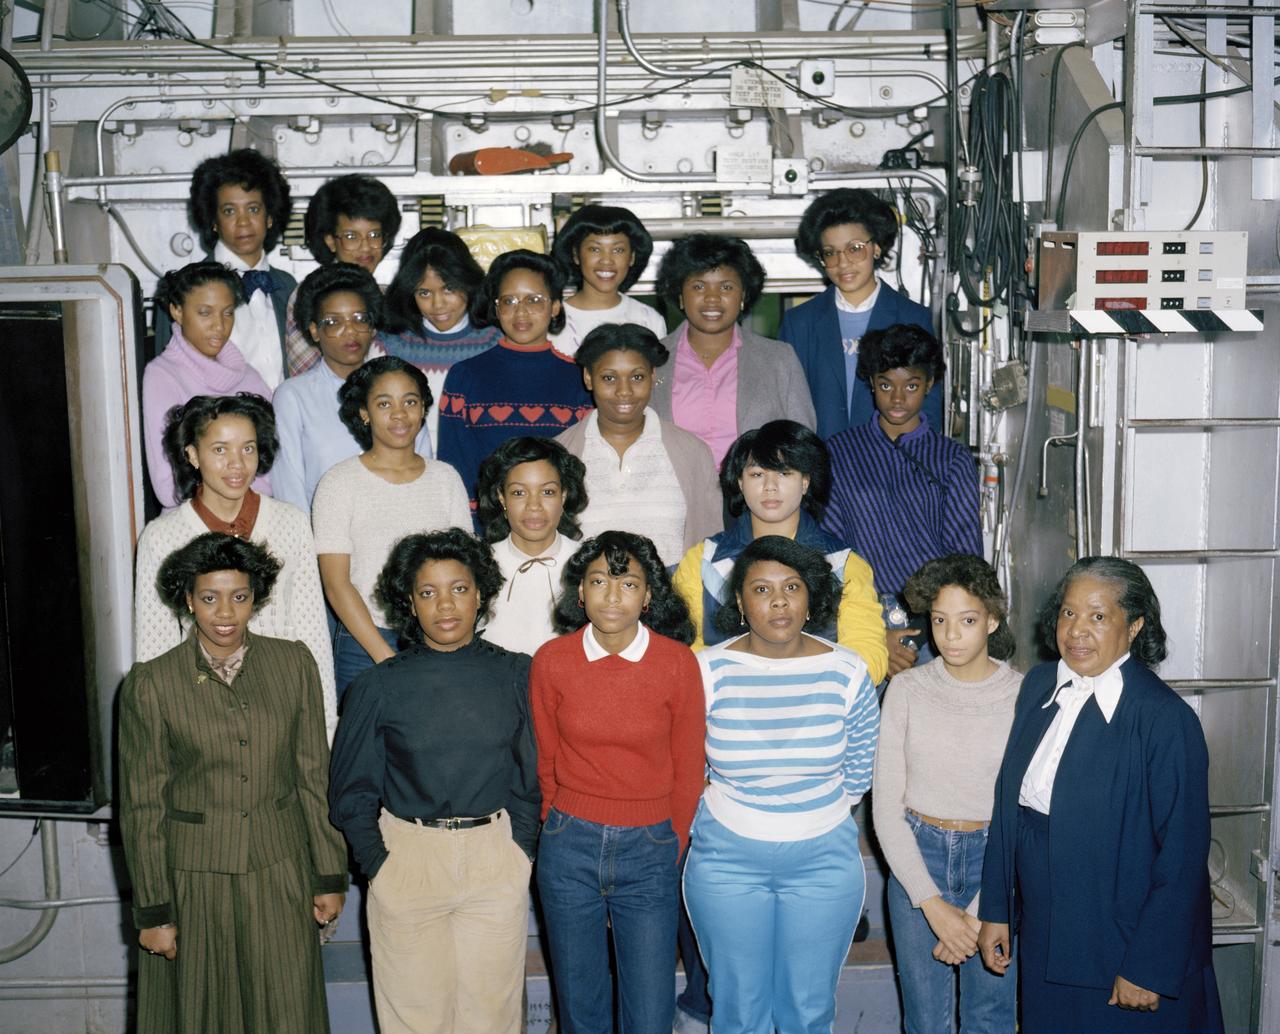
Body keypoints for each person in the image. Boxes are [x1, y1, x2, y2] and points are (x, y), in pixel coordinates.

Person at [978, 557, 1223, 1034]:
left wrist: (1147, 967)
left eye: (1097, 616)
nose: (1076, 631)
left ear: (1134, 626)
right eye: (1068, 613)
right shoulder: (1038, 686)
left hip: (1122, 944)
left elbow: (1183, 856)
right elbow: (1009, 812)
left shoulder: (1164, 720)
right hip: (1047, 933)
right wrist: (997, 911)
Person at [118, 532, 347, 1034]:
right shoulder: (151, 684)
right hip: (194, 878)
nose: (225, 612)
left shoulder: (293, 663)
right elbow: (141, 806)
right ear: (187, 599)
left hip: (280, 867)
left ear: (256, 599)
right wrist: (153, 911)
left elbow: (313, 773)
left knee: (288, 1011)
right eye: (209, 597)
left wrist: (330, 874)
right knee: (201, 1015)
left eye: (239, 597)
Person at [328, 528, 539, 1034]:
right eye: (428, 592)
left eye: (459, 588)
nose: (446, 605)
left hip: (495, 858)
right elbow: (350, 791)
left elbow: (533, 774)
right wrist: (379, 865)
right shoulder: (379, 684)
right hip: (408, 860)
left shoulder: (516, 674)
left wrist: (519, 851)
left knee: (493, 1017)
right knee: (415, 1021)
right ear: (410, 601)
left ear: (481, 593)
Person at [683, 535, 879, 1034]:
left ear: (811, 597)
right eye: (762, 589)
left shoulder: (848, 670)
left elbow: (858, 770)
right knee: (737, 1009)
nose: (778, 601)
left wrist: (806, 815)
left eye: (792, 586)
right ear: (740, 603)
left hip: (823, 859)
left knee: (807, 1012)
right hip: (726, 857)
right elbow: (686, 763)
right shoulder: (706, 670)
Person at [530, 531, 705, 1034]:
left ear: (649, 595)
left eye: (628, 582)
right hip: (570, 843)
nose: (612, 595)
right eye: (599, 580)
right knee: (581, 1011)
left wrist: (669, 842)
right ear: (579, 591)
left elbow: (688, 767)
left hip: (650, 846)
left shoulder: (676, 663)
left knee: (649, 1015)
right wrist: (554, 825)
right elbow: (545, 759)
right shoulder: (552, 660)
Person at [872, 554, 1020, 1034]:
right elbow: (886, 810)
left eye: (968, 620)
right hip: (920, 855)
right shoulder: (908, 689)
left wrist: (978, 916)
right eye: (940, 620)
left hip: (996, 864)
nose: (951, 635)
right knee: (926, 1022)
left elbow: (1025, 810)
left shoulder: (1023, 694)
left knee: (991, 1018)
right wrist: (932, 905)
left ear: (993, 619)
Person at [133, 393, 337, 739]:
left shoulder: (290, 523)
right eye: (220, 450)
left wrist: (325, 725)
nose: (237, 464)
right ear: (193, 455)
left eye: (248, 448)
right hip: (201, 715)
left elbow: (312, 633)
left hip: (281, 706)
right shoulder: (163, 537)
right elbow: (154, 649)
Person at [673, 419, 888, 683]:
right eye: (757, 474)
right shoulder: (702, 560)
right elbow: (682, 649)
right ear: (740, 482)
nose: (769, 486)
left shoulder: (844, 564)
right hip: (728, 708)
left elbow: (868, 655)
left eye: (784, 473)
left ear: (806, 482)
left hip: (818, 707)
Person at [822, 324, 982, 678]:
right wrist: (875, 632)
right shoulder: (840, 452)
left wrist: (927, 629)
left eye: (911, 385)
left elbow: (965, 558)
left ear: (929, 385)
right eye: (885, 385)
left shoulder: (950, 457)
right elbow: (829, 553)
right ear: (871, 383)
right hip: (857, 614)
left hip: (935, 619)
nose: (897, 398)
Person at [312, 356, 471, 696]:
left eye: (410, 402)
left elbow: (464, 572)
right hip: (364, 641)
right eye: (384, 403)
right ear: (364, 413)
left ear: (423, 408)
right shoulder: (339, 483)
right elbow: (337, 584)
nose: (399, 414)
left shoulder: (445, 479)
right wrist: (384, 655)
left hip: (439, 635)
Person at [437, 249, 592, 512]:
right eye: (509, 301)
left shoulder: (580, 378)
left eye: (533, 300)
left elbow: (584, 470)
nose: (520, 312)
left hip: (560, 530)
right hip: (486, 532)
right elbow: (454, 467)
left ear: (555, 306)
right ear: (496, 308)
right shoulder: (465, 375)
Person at [556, 322, 722, 567]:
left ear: (653, 376)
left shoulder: (692, 453)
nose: (624, 391)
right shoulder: (560, 454)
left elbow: (710, 549)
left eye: (637, 377)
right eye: (609, 378)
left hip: (672, 601)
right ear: (588, 378)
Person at [271, 263, 430, 516]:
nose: (351, 331)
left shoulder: (401, 388)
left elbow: (424, 470)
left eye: (360, 319)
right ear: (314, 330)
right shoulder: (293, 396)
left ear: (373, 326)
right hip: (324, 541)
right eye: (334, 322)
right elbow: (289, 489)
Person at [779, 188, 938, 440]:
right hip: (821, 465)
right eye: (830, 253)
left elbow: (929, 408)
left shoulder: (913, 318)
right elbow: (785, 408)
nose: (843, 263)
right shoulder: (800, 323)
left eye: (854, 248)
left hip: (892, 465)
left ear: (876, 247)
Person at [651, 233, 815, 467]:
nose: (712, 298)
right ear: (680, 295)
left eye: (726, 287)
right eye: (699, 286)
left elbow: (802, 444)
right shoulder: (652, 360)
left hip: (756, 500)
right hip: (674, 499)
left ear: (743, 295)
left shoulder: (779, 359)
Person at [154, 149, 296, 389]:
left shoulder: (288, 286)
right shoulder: (184, 289)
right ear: (214, 221)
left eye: (253, 209)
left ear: (270, 217)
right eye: (229, 211)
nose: (243, 222)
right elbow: (167, 381)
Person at [143, 261, 271, 508]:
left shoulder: (250, 377)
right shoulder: (162, 375)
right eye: (205, 313)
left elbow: (272, 463)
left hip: (255, 517)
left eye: (228, 312)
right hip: (193, 525)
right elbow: (168, 485)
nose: (219, 326)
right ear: (177, 311)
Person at [381, 228, 502, 446]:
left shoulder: (496, 343)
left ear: (468, 282)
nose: (438, 305)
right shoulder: (388, 346)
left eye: (449, 289)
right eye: (424, 293)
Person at [475, 436, 587, 655]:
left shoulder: (588, 563)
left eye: (547, 492)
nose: (534, 506)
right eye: (519, 493)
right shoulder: (478, 565)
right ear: (501, 497)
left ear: (563, 495)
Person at [284, 173, 402, 376]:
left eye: (374, 235)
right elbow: (304, 374)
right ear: (330, 240)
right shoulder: (310, 294)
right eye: (351, 236)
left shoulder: (390, 295)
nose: (365, 247)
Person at [548, 203, 668, 356]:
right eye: (595, 249)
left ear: (632, 257)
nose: (606, 260)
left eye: (618, 250)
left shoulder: (649, 319)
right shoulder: (551, 318)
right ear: (576, 255)